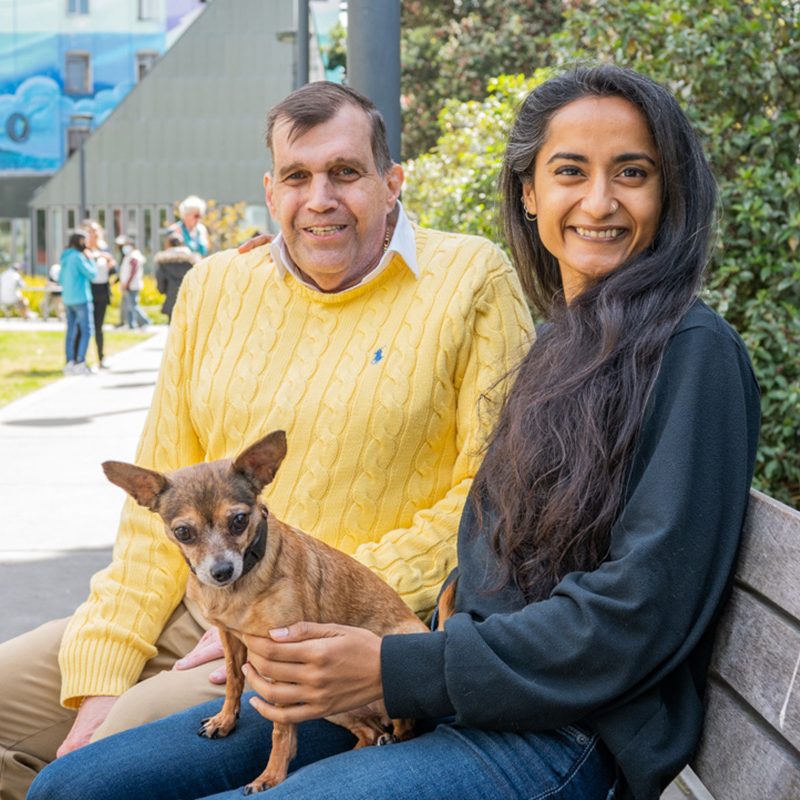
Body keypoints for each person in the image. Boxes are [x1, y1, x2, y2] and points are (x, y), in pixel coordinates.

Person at [26, 64, 761, 800]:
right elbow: (490, 551)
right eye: (570, 171)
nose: (598, 200)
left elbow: (638, 611)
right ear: (531, 195)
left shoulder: (693, 354)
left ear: (669, 194)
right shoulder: (561, 349)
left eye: (631, 172)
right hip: (456, 695)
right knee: (76, 788)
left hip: (560, 736)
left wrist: (396, 664)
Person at [0, 82, 532, 800]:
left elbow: (490, 495)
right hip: (194, 604)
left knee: (98, 765)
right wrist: (104, 660)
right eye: (297, 176)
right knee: (66, 713)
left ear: (391, 181)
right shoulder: (216, 285)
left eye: (345, 172)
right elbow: (153, 505)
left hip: (314, 630)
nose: (320, 198)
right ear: (270, 189)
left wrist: (283, 614)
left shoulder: (471, 280)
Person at [58, 230, 97, 375]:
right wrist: (90, 259)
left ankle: (70, 362)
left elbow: (60, 278)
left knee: (71, 331)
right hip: (81, 298)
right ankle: (81, 361)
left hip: (68, 298)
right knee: (86, 330)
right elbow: (92, 274)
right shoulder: (79, 257)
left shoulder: (65, 257)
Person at [83, 220, 117, 368]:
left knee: (98, 327)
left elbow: (114, 271)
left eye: (95, 231)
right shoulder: (83, 250)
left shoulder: (105, 250)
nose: (93, 234)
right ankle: (80, 360)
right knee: (84, 327)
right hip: (87, 290)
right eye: (90, 231)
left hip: (102, 291)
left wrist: (111, 264)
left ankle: (101, 359)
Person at [154, 231, 200, 321]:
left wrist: (162, 290)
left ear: (168, 244)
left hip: (171, 298)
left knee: (173, 327)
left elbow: (160, 280)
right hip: (189, 298)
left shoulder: (163, 261)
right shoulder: (192, 260)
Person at [117, 235, 149, 329]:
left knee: (133, 305)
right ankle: (131, 324)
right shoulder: (130, 255)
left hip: (131, 285)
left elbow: (133, 271)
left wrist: (127, 283)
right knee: (129, 305)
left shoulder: (134, 256)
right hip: (129, 284)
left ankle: (145, 321)